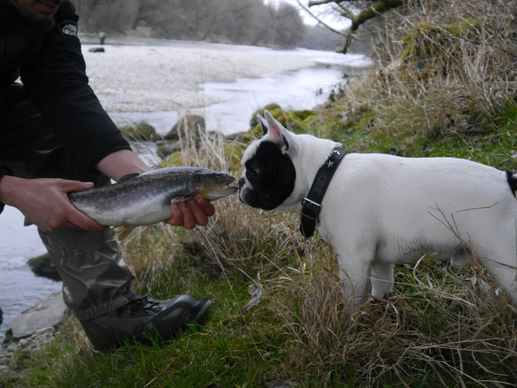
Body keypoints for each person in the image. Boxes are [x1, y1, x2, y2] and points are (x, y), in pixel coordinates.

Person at [0, 0, 215, 351]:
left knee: (70, 138)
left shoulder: (53, 10)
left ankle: (109, 313)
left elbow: (63, 90)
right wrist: (10, 189)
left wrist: (145, 182)